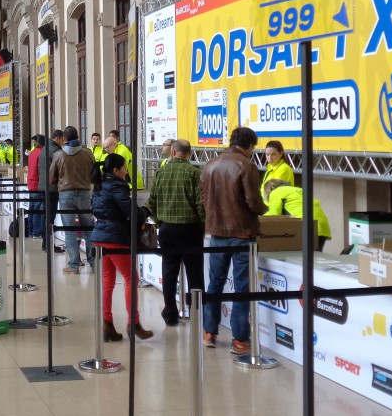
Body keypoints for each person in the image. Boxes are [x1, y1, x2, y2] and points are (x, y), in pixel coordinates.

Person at [201, 126, 267, 355]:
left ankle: (209, 332)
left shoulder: (210, 164)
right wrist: (264, 208)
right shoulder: (247, 166)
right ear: (249, 145)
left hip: (216, 233)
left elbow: (203, 198)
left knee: (215, 283)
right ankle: (240, 339)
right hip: (242, 234)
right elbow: (253, 201)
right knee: (242, 288)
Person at [143, 138, 206, 327]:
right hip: (191, 229)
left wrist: (159, 221)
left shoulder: (161, 173)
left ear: (173, 152)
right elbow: (200, 204)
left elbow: (151, 201)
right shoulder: (195, 173)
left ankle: (170, 312)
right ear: (190, 153)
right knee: (195, 272)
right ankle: (197, 311)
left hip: (167, 229)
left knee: (169, 272)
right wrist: (203, 225)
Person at [91, 153, 153, 340]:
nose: (126, 171)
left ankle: (107, 323)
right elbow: (131, 210)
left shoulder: (99, 185)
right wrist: (144, 213)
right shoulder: (118, 186)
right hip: (116, 237)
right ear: (116, 170)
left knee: (108, 280)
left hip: (100, 235)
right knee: (131, 279)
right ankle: (133, 323)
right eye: (125, 168)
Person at [49, 126, 96, 274]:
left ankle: (74, 265)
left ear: (65, 138)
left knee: (69, 230)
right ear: (78, 136)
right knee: (88, 229)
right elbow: (95, 174)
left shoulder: (58, 155)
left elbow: (52, 178)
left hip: (65, 195)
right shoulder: (88, 154)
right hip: (84, 193)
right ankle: (93, 263)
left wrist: (61, 186)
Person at [262, 179, 331, 251]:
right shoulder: (298, 190)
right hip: (322, 227)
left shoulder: (275, 193)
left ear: (268, 190)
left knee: (300, 259)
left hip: (306, 227)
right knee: (315, 258)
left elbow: (274, 216)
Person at [25, 135, 45, 238]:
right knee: (37, 209)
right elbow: (40, 170)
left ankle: (31, 231)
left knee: (32, 208)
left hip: (31, 183)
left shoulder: (32, 152)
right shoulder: (42, 153)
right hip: (38, 183)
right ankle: (36, 232)